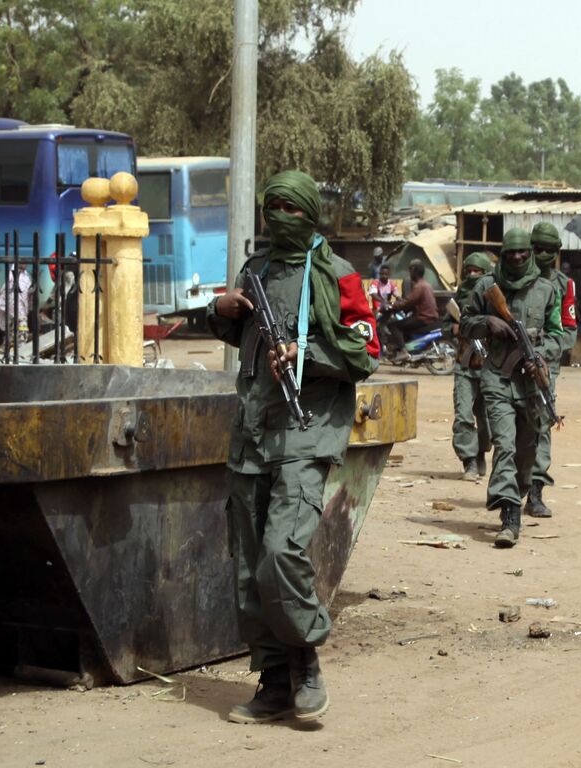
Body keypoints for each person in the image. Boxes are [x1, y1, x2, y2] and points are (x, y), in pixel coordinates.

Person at [206, 170, 379, 725]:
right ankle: (274, 680)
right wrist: (222, 313)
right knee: (249, 565)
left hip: (309, 429)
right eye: (272, 206)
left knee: (282, 550)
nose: (279, 216)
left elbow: (366, 350)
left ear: (310, 214)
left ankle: (305, 659)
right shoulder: (254, 270)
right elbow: (238, 334)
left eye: (291, 208)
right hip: (253, 430)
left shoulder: (337, 274)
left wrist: (308, 359)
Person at [459, 227, 571, 547]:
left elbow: (558, 334)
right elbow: (464, 322)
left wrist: (542, 354)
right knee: (504, 446)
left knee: (527, 451)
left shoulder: (547, 289)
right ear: (503, 254)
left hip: (531, 380)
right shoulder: (486, 286)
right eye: (511, 253)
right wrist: (487, 323)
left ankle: (522, 491)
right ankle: (509, 517)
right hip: (497, 375)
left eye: (523, 252)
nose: (518, 258)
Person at [522, 222, 578, 518]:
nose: (541, 254)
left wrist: (545, 353)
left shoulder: (564, 285)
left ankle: (536, 492)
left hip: (546, 368)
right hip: (513, 364)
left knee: (543, 425)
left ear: (557, 252)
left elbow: (569, 330)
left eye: (547, 250)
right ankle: (511, 488)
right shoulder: (517, 279)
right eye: (536, 249)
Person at [453, 251, 496, 481]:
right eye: (468, 271)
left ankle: (480, 452)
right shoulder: (459, 296)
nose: (472, 275)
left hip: (488, 366)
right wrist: (452, 328)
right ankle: (468, 460)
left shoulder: (493, 296)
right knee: (463, 415)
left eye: (477, 271)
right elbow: (444, 323)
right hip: (464, 365)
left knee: (486, 416)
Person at [386, 260, 439, 355]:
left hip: (423, 318)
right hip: (429, 316)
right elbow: (413, 302)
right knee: (405, 323)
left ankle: (403, 351)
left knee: (393, 325)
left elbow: (408, 302)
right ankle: (410, 349)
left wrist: (392, 305)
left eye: (410, 271)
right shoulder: (426, 285)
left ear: (414, 271)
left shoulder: (419, 286)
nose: (409, 274)